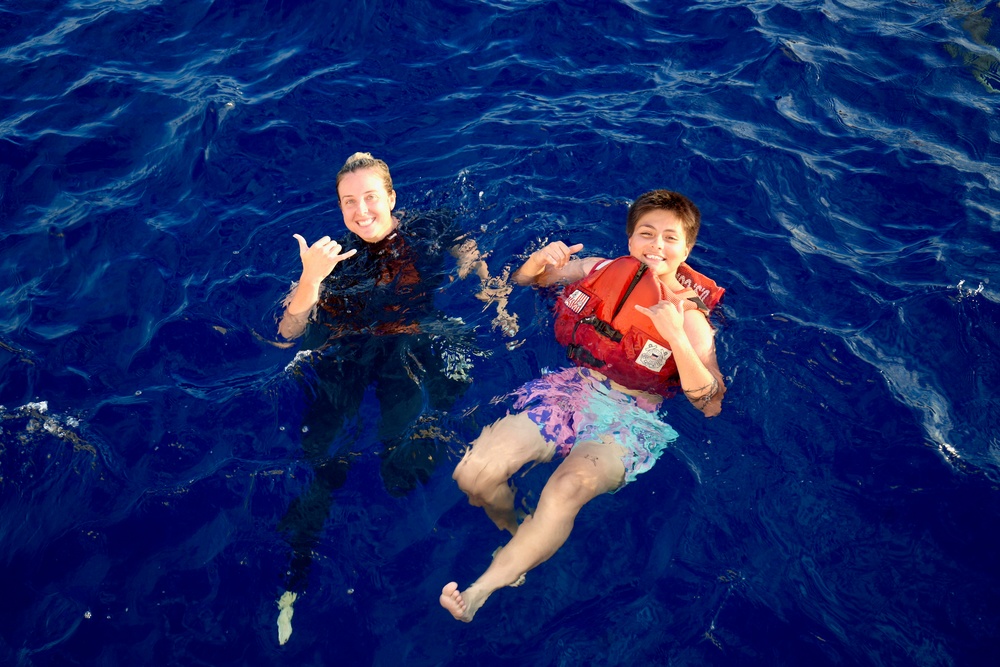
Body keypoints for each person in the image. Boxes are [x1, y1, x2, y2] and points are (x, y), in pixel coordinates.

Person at [439, 189, 726, 622]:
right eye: (646, 234)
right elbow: (526, 283)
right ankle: (520, 533)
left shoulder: (691, 318)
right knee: (473, 475)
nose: (656, 246)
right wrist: (536, 265)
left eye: (670, 238)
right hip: (571, 391)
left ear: (686, 249)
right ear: (630, 240)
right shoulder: (598, 268)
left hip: (630, 420)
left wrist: (678, 337)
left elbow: (711, 403)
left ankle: (482, 589)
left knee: (566, 489)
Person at [274, 152, 513, 644]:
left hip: (409, 342)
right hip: (344, 351)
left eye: (370, 198)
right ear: (339, 208)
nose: (361, 212)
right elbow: (286, 333)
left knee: (401, 464)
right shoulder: (329, 255)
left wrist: (494, 291)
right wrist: (310, 278)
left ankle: (434, 553)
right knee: (320, 458)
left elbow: (471, 256)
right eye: (348, 202)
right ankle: (295, 574)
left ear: (391, 198)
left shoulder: (431, 227)